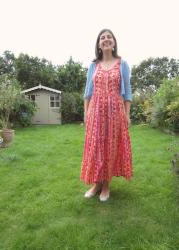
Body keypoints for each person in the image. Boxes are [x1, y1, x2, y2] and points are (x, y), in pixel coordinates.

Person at [80, 29, 133, 201]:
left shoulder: (122, 64)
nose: (106, 39)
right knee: (96, 148)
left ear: (114, 42)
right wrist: (86, 114)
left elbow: (127, 94)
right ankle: (96, 184)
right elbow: (87, 92)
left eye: (109, 37)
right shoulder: (93, 66)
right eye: (102, 38)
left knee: (110, 147)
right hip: (95, 112)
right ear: (99, 44)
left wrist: (127, 115)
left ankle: (106, 186)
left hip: (115, 113)